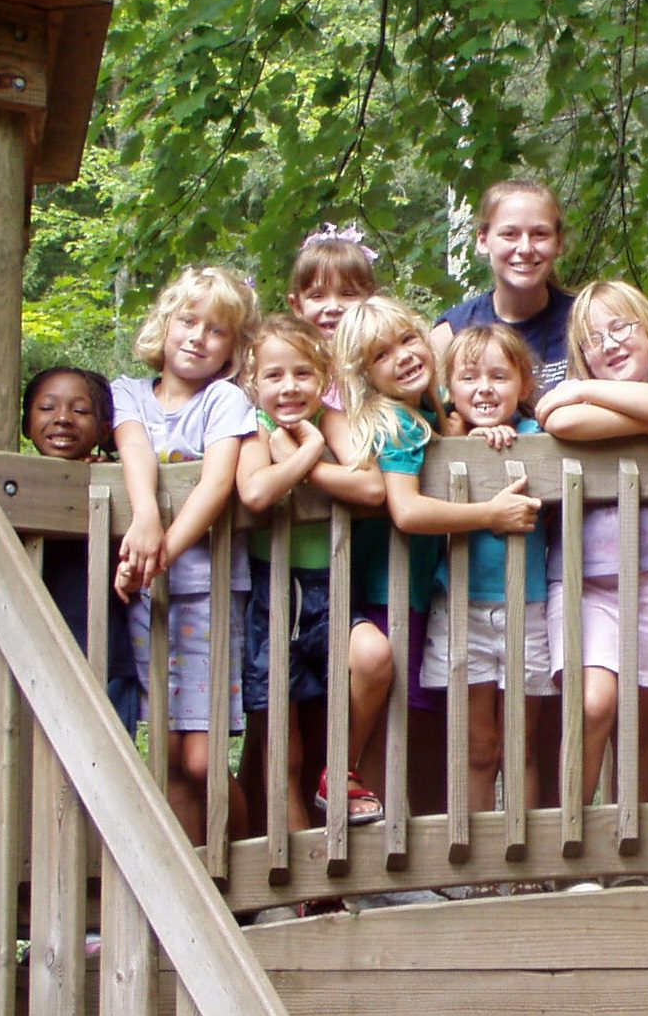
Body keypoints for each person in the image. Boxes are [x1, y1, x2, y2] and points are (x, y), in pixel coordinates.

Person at [324, 296, 540, 813]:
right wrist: (490, 514)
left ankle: (381, 831)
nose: (401, 356)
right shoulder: (396, 423)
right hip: (388, 590)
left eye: (407, 340)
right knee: (387, 726)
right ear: (364, 374)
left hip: (413, 590)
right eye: (381, 355)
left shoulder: (425, 413)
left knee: (400, 720)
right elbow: (407, 510)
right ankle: (365, 829)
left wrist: (472, 431)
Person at [535, 282, 648, 805]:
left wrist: (583, 390)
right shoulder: (601, 408)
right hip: (584, 584)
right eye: (592, 340)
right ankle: (572, 841)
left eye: (622, 328)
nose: (609, 343)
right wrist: (645, 429)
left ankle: (628, 842)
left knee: (644, 724)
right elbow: (558, 418)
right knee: (594, 705)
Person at [111, 266, 260, 844]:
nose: (198, 336)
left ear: (232, 348)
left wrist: (158, 554)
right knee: (168, 750)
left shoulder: (224, 399)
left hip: (210, 589)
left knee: (203, 757)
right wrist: (146, 521)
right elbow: (135, 452)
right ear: (165, 325)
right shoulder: (127, 392)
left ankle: (247, 873)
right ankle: (195, 880)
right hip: (147, 593)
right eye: (188, 321)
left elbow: (217, 484)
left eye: (217, 330)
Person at [417, 325, 556, 811]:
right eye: (469, 377)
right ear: (447, 388)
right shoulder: (441, 438)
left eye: (500, 376)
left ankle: (526, 862)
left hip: (526, 608)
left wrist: (508, 441)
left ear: (523, 385)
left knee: (521, 745)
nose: (484, 388)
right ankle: (477, 867)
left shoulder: (540, 435)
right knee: (478, 747)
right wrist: (467, 442)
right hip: (460, 608)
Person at [235, 314, 352, 831]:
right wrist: (307, 453)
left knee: (329, 728)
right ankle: (298, 866)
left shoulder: (332, 419)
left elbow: (369, 482)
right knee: (282, 738)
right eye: (274, 376)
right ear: (252, 383)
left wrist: (310, 452)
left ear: (324, 377)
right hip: (272, 590)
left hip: (334, 584)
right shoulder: (254, 428)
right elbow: (257, 492)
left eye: (303, 374)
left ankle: (334, 852)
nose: (289, 387)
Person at [22, 365, 142, 730]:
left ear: (105, 429)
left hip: (106, 660)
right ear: (25, 423)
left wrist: (105, 474)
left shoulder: (123, 486)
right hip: (29, 658)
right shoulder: (14, 486)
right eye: (47, 408)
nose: (62, 419)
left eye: (80, 410)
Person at [431, 180, 574, 393]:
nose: (525, 248)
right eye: (509, 234)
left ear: (559, 243)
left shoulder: (587, 321)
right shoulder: (450, 334)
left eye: (540, 234)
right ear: (483, 240)